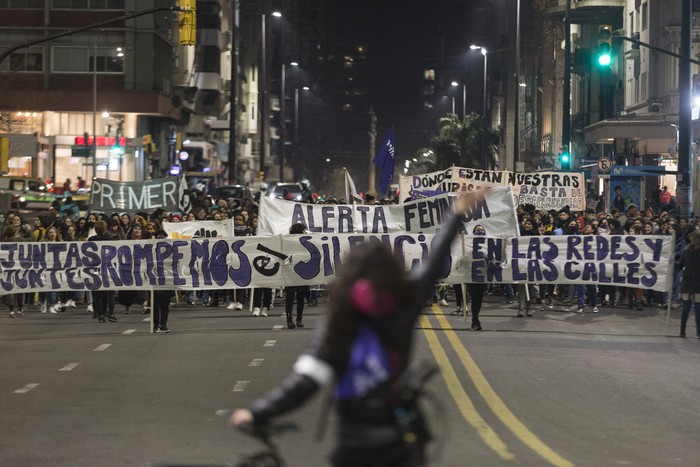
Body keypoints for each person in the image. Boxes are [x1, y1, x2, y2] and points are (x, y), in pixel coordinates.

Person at [230, 191, 484, 467]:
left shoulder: (337, 320)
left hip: (353, 445)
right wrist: (456, 214)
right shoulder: (401, 307)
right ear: (393, 272)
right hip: (399, 442)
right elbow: (434, 265)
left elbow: (305, 382)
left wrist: (258, 413)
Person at [89, 221, 117, 323]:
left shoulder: (91, 240)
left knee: (98, 292)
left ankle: (100, 315)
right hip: (108, 266)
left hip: (95, 267)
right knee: (111, 291)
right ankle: (111, 314)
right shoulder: (110, 239)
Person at [285, 222, 310, 328]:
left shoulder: (307, 241)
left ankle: (299, 319)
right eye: (304, 230)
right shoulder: (288, 242)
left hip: (303, 271)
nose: (306, 232)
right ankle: (289, 320)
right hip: (290, 272)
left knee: (301, 297)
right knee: (290, 297)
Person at [678, 231, 700, 338]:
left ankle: (696, 331)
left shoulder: (686, 250)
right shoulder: (686, 250)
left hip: (695, 282)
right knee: (688, 308)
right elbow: (681, 264)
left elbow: (680, 264)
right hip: (688, 282)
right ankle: (683, 330)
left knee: (696, 308)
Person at [468, 224, 488, 330]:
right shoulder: (469, 244)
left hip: (483, 276)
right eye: (477, 230)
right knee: (475, 299)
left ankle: (476, 318)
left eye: (481, 230)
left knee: (479, 299)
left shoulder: (487, 244)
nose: (480, 231)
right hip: (472, 276)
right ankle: (475, 320)